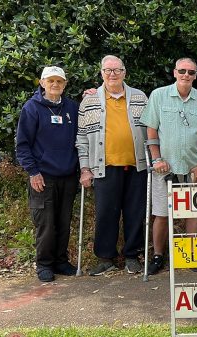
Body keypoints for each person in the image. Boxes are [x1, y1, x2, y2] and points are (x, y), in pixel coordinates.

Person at [140, 58, 197, 275]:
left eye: (191, 72)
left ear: (195, 75)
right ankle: (158, 256)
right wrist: (156, 160)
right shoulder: (159, 95)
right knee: (162, 214)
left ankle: (192, 256)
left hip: (193, 168)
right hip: (165, 168)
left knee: (193, 213)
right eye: (182, 71)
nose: (186, 75)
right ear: (174, 72)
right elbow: (151, 130)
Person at [77, 55, 148, 276]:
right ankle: (105, 257)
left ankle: (132, 255)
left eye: (117, 70)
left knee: (135, 211)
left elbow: (151, 129)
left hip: (136, 165)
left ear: (124, 72)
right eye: (108, 71)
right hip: (103, 166)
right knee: (106, 212)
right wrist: (85, 168)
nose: (112, 74)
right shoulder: (89, 100)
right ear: (101, 73)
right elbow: (81, 137)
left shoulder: (139, 97)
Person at [15, 66, 80, 282]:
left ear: (65, 84)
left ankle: (61, 261)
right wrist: (33, 172)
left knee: (64, 221)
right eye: (50, 81)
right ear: (42, 83)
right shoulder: (32, 108)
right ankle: (44, 264)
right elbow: (22, 145)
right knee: (46, 223)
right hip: (43, 176)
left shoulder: (72, 107)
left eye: (59, 81)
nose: (55, 85)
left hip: (68, 175)